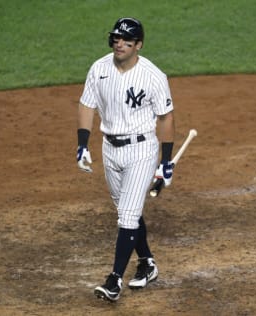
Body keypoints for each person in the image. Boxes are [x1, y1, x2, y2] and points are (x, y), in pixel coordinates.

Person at [76, 17, 175, 302]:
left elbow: (166, 117)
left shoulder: (153, 76)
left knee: (127, 216)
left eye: (126, 41)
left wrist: (165, 161)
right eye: (116, 39)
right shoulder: (99, 69)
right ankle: (147, 262)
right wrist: (82, 145)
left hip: (141, 150)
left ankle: (114, 280)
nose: (119, 44)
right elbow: (86, 105)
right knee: (126, 210)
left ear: (138, 46)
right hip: (110, 149)